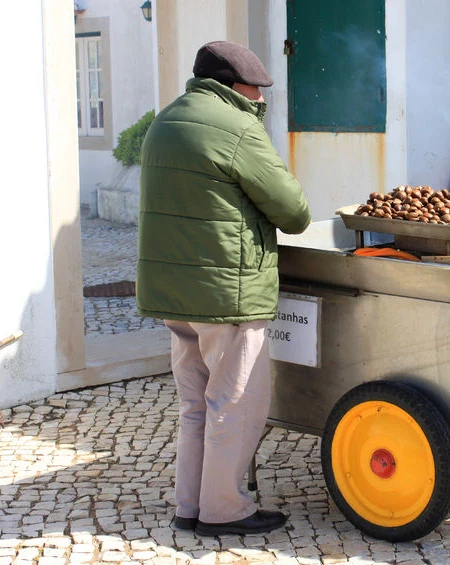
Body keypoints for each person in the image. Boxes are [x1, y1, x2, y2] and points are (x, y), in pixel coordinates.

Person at [136, 40, 311, 537]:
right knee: (235, 402)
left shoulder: (165, 121)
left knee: (195, 403)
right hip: (226, 293)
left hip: (176, 294)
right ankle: (224, 510)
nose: (261, 99)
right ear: (235, 86)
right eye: (257, 90)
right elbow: (294, 211)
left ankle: (189, 506)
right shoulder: (237, 127)